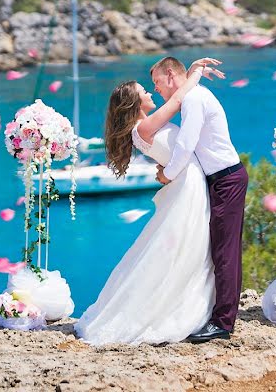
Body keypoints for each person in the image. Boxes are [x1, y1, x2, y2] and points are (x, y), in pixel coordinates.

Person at [74, 57, 223, 346]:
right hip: (186, 188)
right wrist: (194, 72)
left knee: (189, 248)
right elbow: (179, 98)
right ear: (135, 103)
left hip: (187, 184)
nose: (151, 93)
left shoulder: (143, 129)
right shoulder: (142, 128)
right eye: (145, 90)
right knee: (185, 248)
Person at [152, 56, 248, 343]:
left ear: (171, 75)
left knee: (224, 253)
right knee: (220, 250)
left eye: (157, 81)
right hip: (221, 179)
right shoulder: (194, 95)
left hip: (226, 180)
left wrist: (167, 175)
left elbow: (185, 145)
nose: (156, 89)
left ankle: (223, 323)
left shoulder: (194, 99)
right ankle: (222, 315)